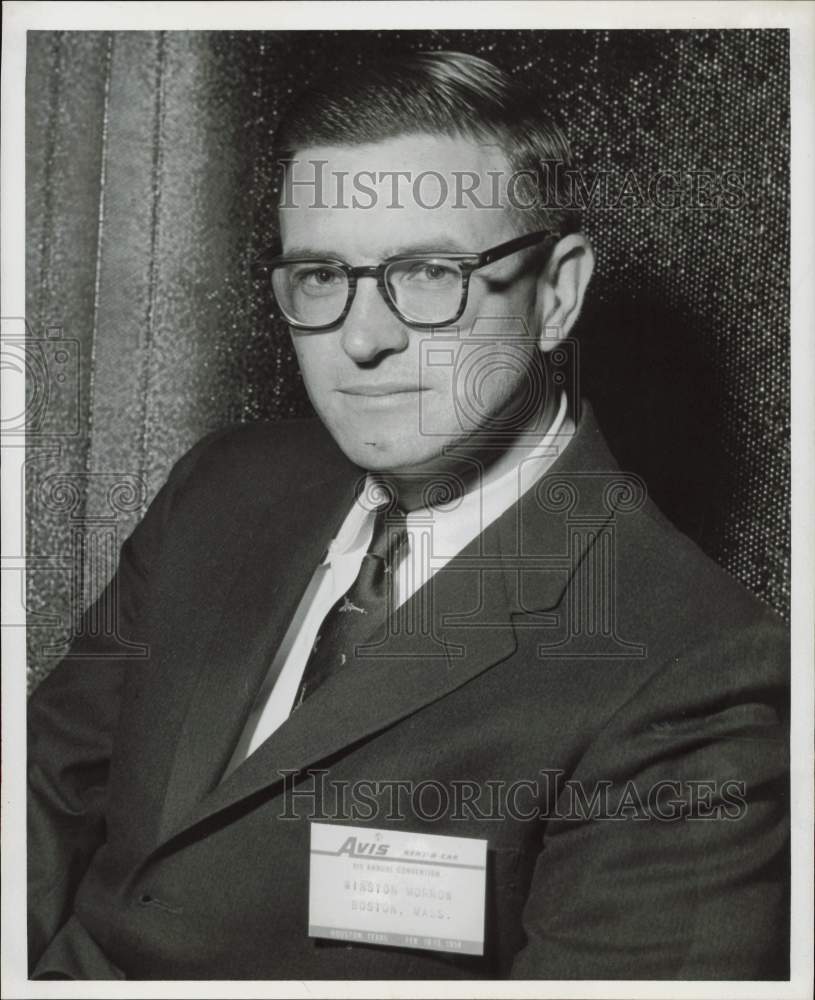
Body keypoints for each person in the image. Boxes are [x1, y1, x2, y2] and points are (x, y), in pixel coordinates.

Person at [27, 51, 789, 981]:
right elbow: (41, 798)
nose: (360, 336)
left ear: (556, 294)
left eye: (428, 272)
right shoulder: (223, 489)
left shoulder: (695, 670)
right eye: (319, 275)